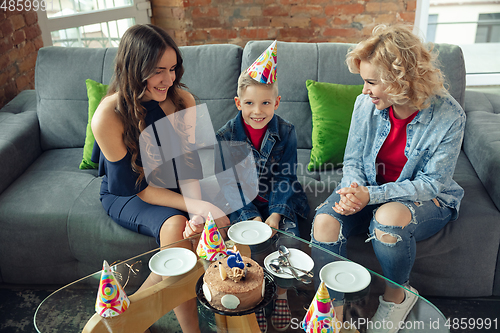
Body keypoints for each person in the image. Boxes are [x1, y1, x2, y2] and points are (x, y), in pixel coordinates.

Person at [310, 24, 465, 333]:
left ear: (400, 80)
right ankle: (334, 314)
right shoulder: (365, 105)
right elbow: (353, 161)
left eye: (371, 82)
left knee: (388, 218)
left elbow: (432, 183)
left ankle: (397, 296)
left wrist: (372, 195)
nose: (364, 90)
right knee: (324, 224)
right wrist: (353, 189)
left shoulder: (450, 116)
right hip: (369, 189)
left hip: (424, 198)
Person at [91, 24, 229, 333]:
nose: (168, 79)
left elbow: (189, 164)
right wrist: (194, 206)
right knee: (176, 228)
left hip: (174, 182)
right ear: (134, 69)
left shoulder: (182, 100)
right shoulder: (107, 116)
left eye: (172, 69)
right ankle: (190, 330)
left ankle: (129, 313)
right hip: (128, 193)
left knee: (204, 227)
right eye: (157, 71)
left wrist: (197, 207)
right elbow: (137, 189)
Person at [214, 41, 310, 332]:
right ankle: (254, 297)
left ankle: (280, 294)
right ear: (238, 103)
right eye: (250, 103)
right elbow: (229, 185)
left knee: (288, 241)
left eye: (266, 103)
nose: (258, 111)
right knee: (248, 248)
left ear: (276, 103)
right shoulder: (226, 136)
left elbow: (285, 176)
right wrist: (250, 216)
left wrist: (275, 215)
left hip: (277, 198)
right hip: (243, 202)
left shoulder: (286, 131)